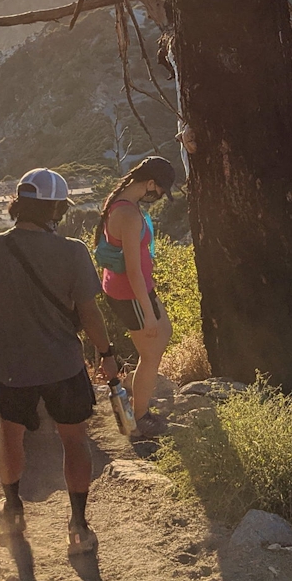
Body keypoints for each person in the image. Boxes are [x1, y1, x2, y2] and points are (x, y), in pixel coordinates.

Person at [0, 168, 120, 557]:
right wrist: (107, 356)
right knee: (74, 440)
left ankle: (12, 510)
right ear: (56, 209)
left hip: (12, 370)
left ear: (17, 205)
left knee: (10, 437)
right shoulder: (73, 251)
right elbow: (90, 314)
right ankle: (78, 527)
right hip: (64, 368)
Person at [96, 155, 175, 439]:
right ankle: (138, 417)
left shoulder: (122, 203)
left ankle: (135, 389)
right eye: (160, 190)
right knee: (151, 353)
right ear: (149, 183)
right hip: (131, 293)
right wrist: (147, 311)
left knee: (163, 334)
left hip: (135, 288)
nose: (160, 196)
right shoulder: (127, 214)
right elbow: (132, 270)